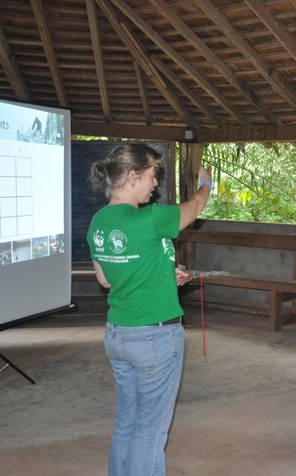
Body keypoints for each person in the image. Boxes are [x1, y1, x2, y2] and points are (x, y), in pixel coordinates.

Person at [87, 143, 212, 476]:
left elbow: (106, 280)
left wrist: (163, 273)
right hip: (154, 338)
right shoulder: (153, 218)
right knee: (150, 432)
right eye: (153, 175)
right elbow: (195, 207)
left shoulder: (99, 222)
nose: (155, 184)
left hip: (118, 335)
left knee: (127, 422)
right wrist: (206, 185)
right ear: (133, 175)